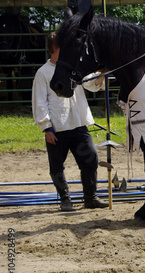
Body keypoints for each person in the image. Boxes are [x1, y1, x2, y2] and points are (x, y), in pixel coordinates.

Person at [32, 32, 108, 211]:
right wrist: (46, 127)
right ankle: (65, 199)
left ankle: (90, 197)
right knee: (57, 165)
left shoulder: (74, 68)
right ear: (56, 48)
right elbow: (40, 102)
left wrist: (102, 74)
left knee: (90, 158)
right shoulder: (43, 73)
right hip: (57, 128)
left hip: (78, 122)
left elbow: (91, 84)